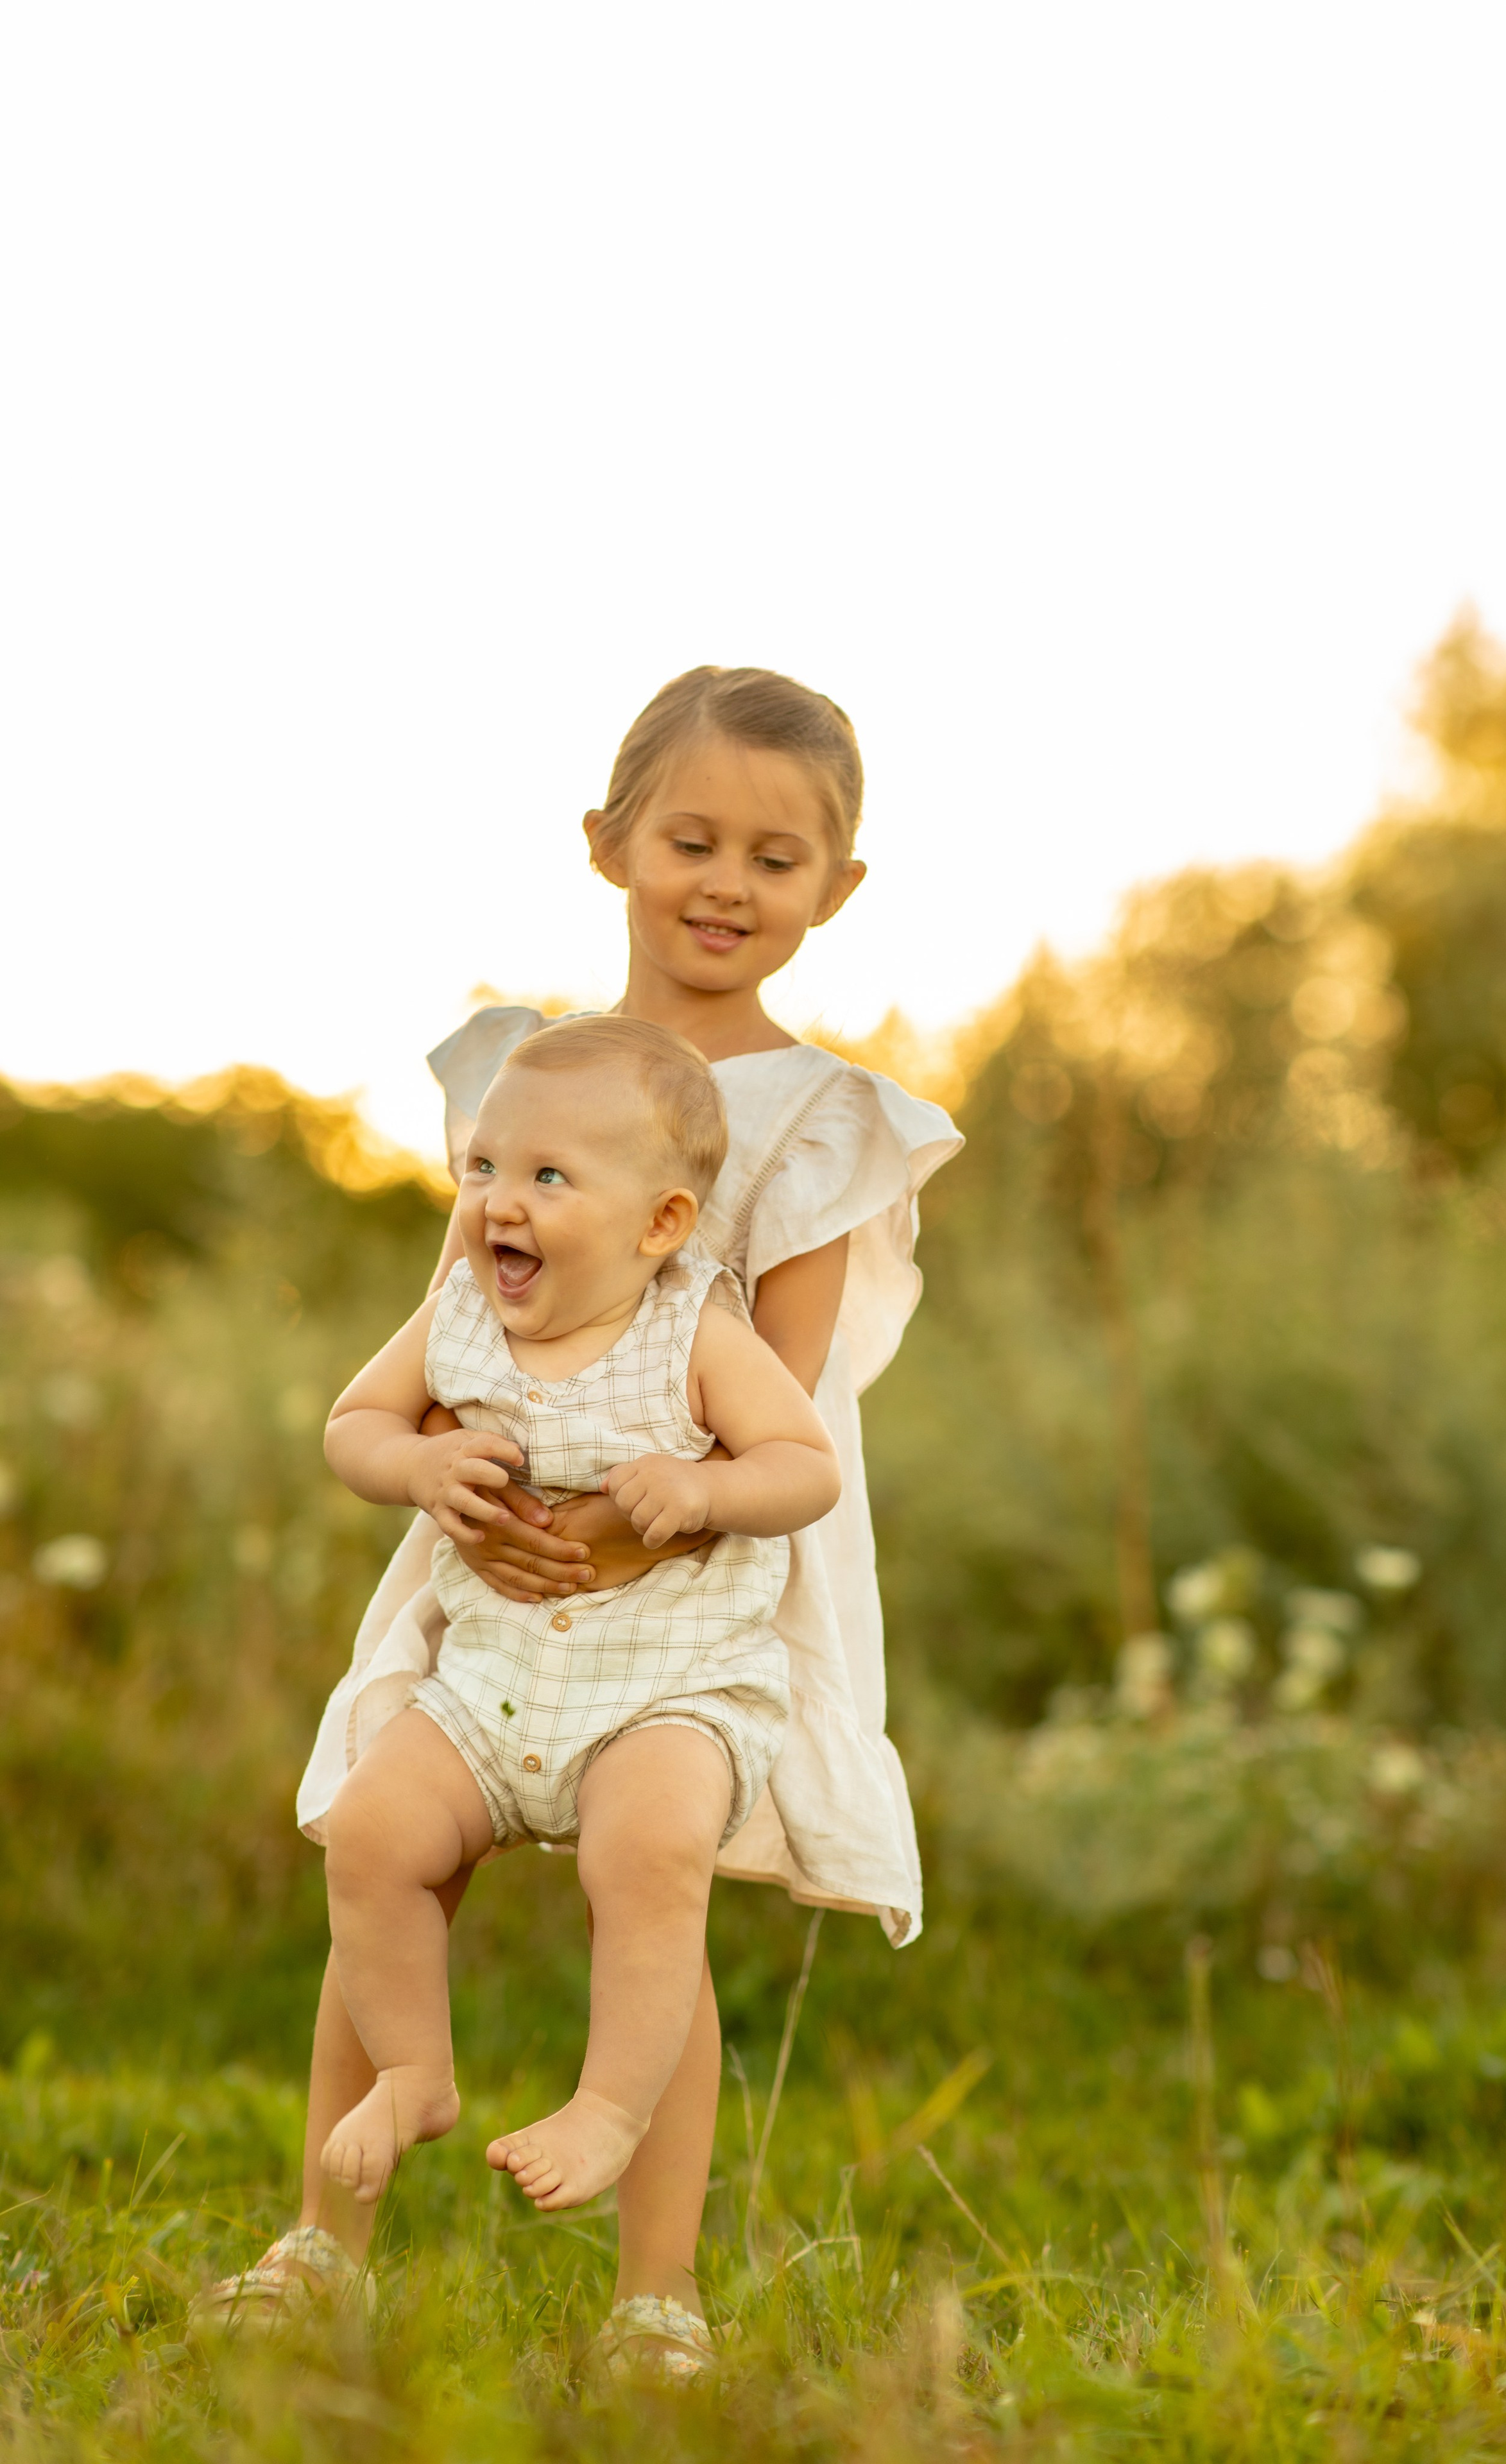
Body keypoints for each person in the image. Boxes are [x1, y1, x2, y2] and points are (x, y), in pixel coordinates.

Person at [194, 665, 962, 2376]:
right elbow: (464, 1302)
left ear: (836, 892)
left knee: (652, 1878)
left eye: (778, 858)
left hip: (693, 1544)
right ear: (610, 842)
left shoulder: (819, 1118)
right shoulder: (523, 1076)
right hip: (495, 1535)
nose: (727, 884)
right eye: (691, 838)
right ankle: (328, 2237)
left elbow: (790, 1384)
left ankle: (657, 2294)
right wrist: (455, 1483)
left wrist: (644, 1527)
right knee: (390, 1845)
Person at [316, 1014, 840, 2225]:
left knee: (649, 1854)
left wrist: (709, 1486)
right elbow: (355, 1425)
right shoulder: (459, 1313)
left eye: (548, 1177)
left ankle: (608, 2108)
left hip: (666, 1685)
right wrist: (415, 1471)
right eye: (486, 1167)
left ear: (659, 1224)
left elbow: (805, 1467)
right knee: (372, 1833)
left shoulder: (693, 1331)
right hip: (491, 1681)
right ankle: (414, 2070)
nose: (500, 1202)